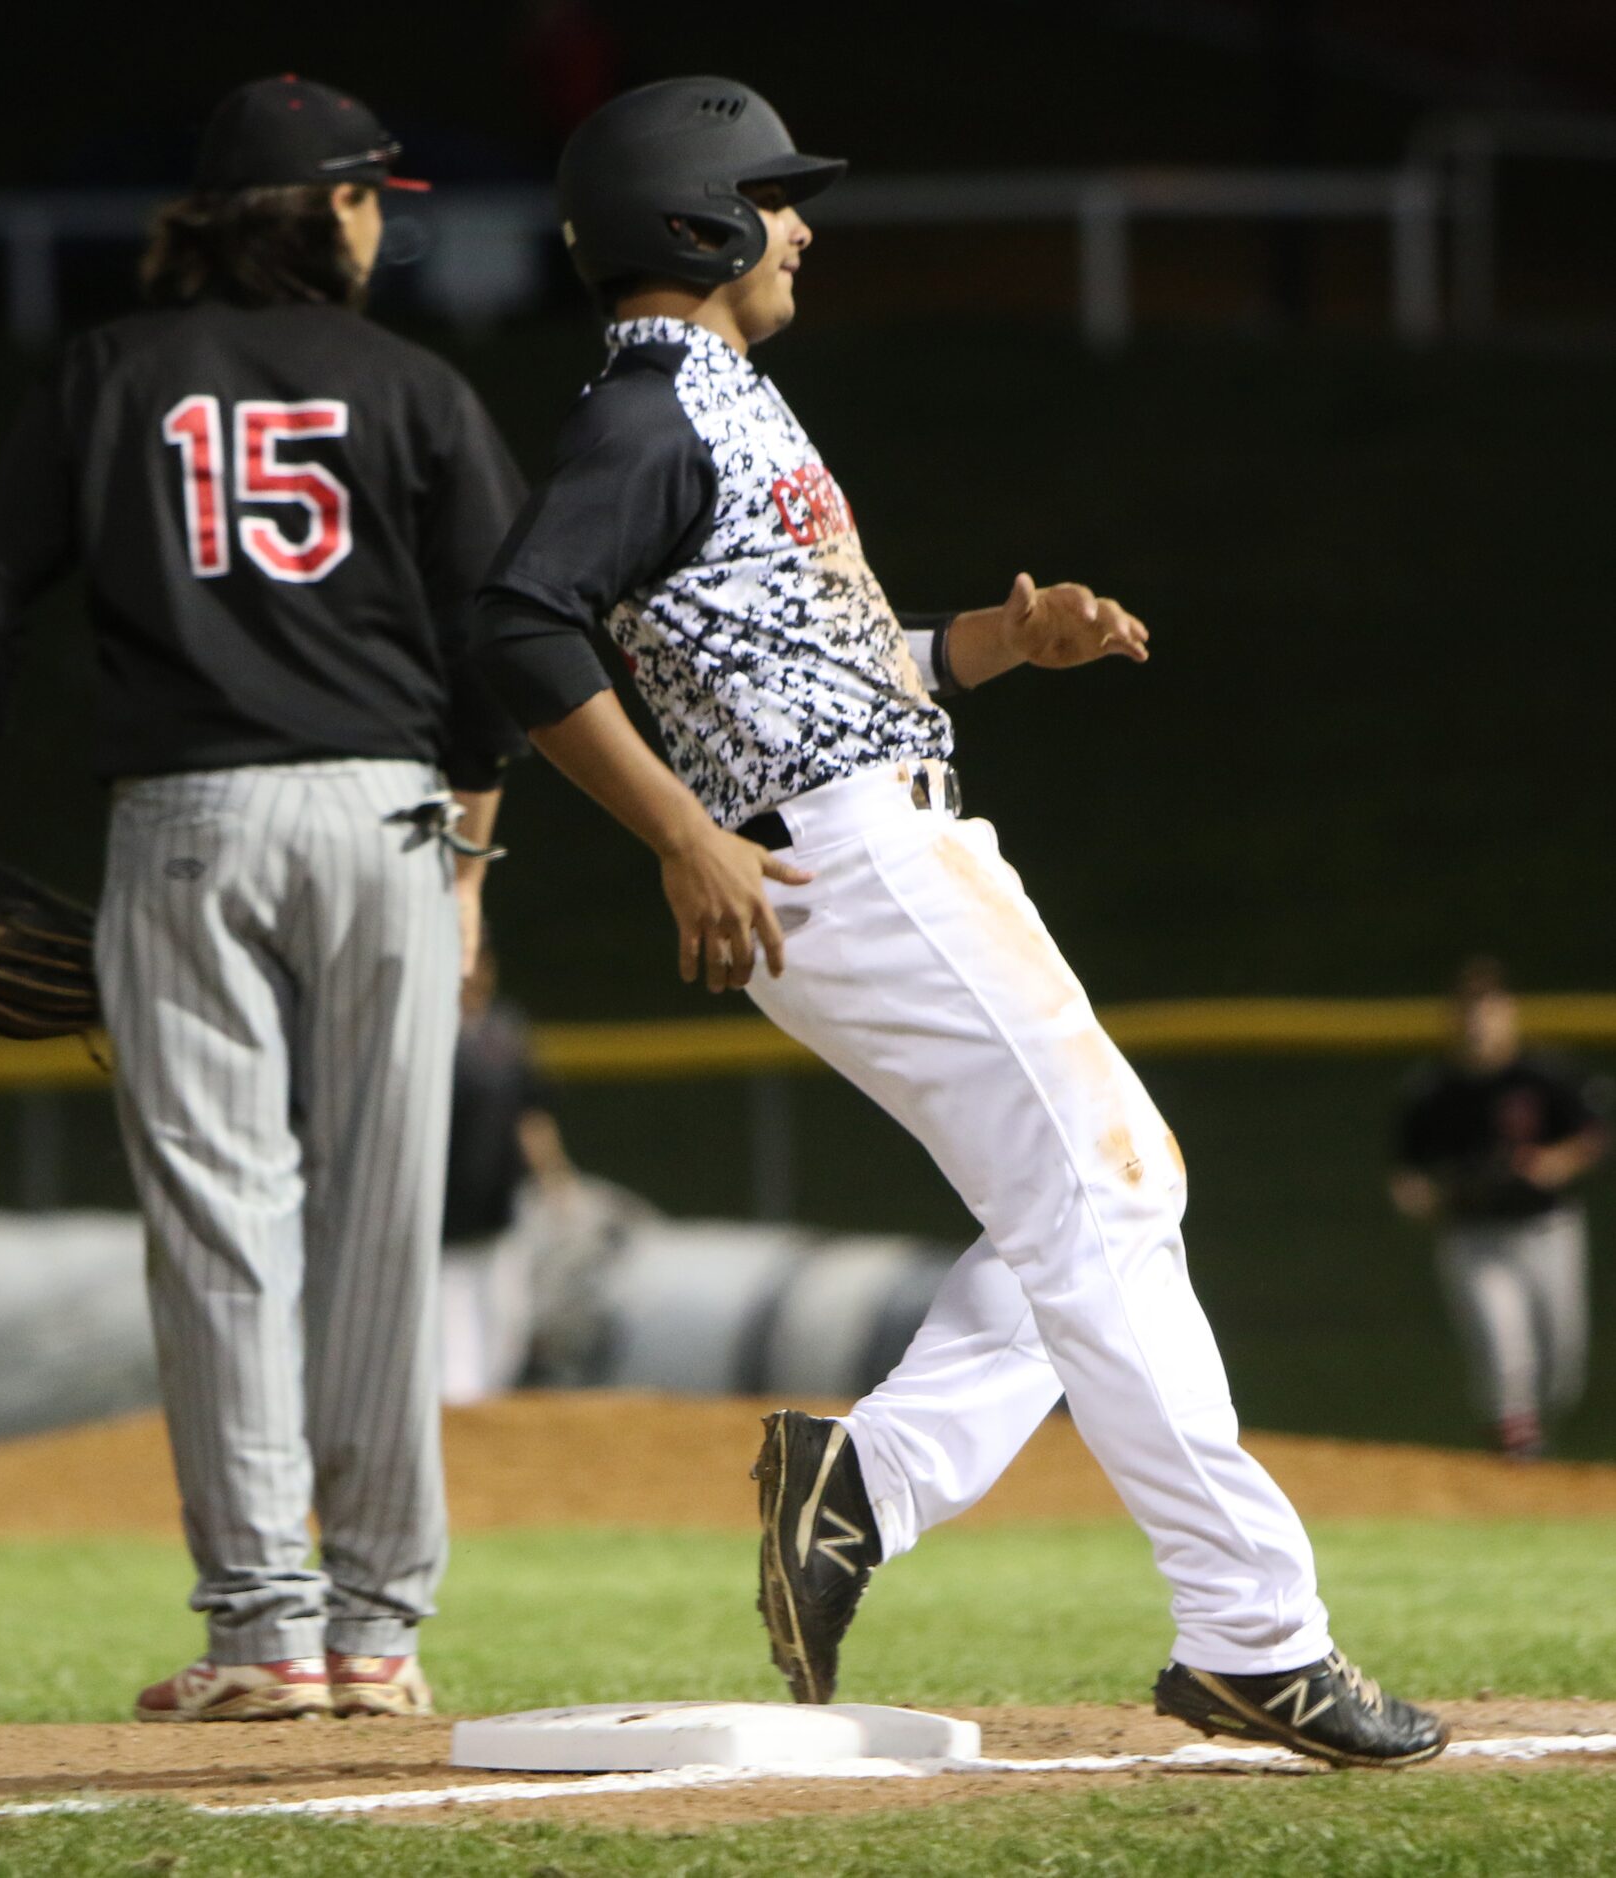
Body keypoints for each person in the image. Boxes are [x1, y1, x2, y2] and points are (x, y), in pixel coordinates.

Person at [474, 75, 1447, 1769]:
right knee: (1102, 1193)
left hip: (879, 839)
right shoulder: (652, 413)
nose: (799, 227)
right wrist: (679, 835)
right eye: (771, 199)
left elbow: (813, 680)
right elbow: (517, 623)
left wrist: (997, 646)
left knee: (1111, 1184)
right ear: (692, 225)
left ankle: (873, 1482)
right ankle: (1254, 1632)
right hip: (852, 864)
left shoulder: (716, 400)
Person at [0, 75, 527, 1722]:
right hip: (386, 818)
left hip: (187, 821)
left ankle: (263, 1632)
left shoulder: (107, 372)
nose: (385, 218)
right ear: (326, 210)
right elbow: (505, 653)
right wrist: (464, 864)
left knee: (217, 1231)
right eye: (372, 196)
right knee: (382, 1224)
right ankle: (379, 1631)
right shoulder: (416, 389)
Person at [1391, 959, 1605, 1458]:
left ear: (1509, 1013)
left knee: (1562, 1363)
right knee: (1506, 1350)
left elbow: (1593, 1134)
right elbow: (1407, 1176)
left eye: (1489, 1009)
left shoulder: (1544, 1073)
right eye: (1468, 1011)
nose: (1478, 1022)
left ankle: (1529, 1446)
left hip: (1548, 1229)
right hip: (1475, 1236)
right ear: (1452, 1018)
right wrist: (1424, 1196)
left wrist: (1556, 1160)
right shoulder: (1432, 1090)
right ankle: (1517, 1452)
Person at [440, 933, 577, 1402]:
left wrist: (555, 1178)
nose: (472, 972)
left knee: (508, 1326)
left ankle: (489, 1429)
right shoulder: (427, 1032)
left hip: (501, 1212)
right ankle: (463, 1436)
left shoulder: (504, 1030)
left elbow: (531, 1113)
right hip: (445, 1221)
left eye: (480, 960)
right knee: (454, 1348)